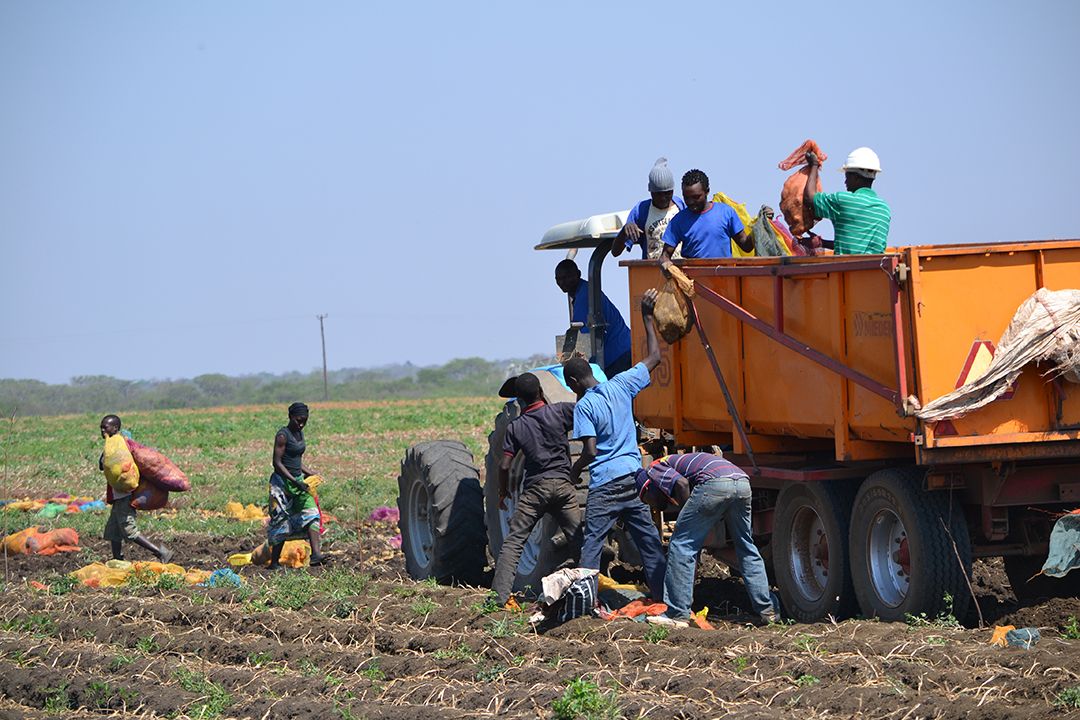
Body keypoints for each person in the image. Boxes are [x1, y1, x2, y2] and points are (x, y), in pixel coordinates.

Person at [564, 289, 667, 600]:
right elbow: (654, 358)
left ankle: (586, 602)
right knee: (649, 542)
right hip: (633, 478)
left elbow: (591, 451)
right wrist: (647, 318)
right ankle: (666, 599)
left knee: (592, 542)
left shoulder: (583, 408)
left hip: (605, 485)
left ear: (572, 384)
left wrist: (575, 469)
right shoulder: (621, 384)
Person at [635, 452, 777, 627]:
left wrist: (687, 523)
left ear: (647, 487)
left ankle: (677, 614)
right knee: (746, 547)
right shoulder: (679, 462)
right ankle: (769, 611)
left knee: (681, 545)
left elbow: (682, 484)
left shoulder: (654, 467)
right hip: (741, 482)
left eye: (647, 500)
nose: (653, 506)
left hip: (715, 483)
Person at [490, 372, 586, 608]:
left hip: (535, 491)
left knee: (513, 543)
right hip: (564, 488)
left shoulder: (516, 427)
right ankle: (589, 595)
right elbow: (586, 411)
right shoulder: (561, 411)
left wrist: (503, 492)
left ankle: (499, 599)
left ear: (519, 401)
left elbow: (504, 465)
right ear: (541, 392)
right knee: (578, 541)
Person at [98, 415, 173, 563]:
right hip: (118, 496)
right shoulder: (112, 446)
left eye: (105, 427)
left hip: (125, 496)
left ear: (115, 428)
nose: (102, 430)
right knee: (113, 531)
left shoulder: (124, 445)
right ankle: (117, 559)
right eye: (101, 427)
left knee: (129, 530)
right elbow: (102, 465)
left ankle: (161, 553)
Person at [804, 147, 891, 255]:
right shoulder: (884, 209)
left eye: (847, 176)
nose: (845, 182)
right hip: (877, 269)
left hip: (848, 270)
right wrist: (822, 243)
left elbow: (809, 198)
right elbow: (856, 245)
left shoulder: (843, 200)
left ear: (856, 177)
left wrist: (814, 165)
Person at [555, 259, 633, 377]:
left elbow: (584, 339)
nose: (562, 282)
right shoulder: (586, 291)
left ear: (578, 274)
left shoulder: (584, 296)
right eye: (559, 279)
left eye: (567, 277)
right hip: (622, 351)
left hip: (618, 356)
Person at [268, 402, 324, 568]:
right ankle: (274, 562)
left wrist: (310, 473)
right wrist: (294, 481)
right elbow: (277, 463)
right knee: (281, 520)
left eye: (304, 421)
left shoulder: (300, 434)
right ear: (290, 417)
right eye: (298, 420)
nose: (301, 424)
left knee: (312, 513)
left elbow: (296, 462)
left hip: (299, 482)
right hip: (282, 484)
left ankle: (316, 555)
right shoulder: (282, 436)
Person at [660, 169, 754, 261]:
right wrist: (665, 264)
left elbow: (746, 246)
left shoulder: (726, 213)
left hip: (724, 275)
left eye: (696, 197)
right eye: (686, 197)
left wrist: (761, 225)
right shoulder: (678, 220)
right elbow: (665, 256)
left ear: (707, 191)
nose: (691, 202)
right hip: (693, 276)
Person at [612, 157, 687, 260]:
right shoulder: (642, 211)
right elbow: (615, 252)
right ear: (650, 191)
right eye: (658, 194)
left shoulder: (680, 207)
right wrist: (624, 231)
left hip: (680, 271)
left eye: (667, 193)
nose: (663, 198)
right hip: (652, 271)